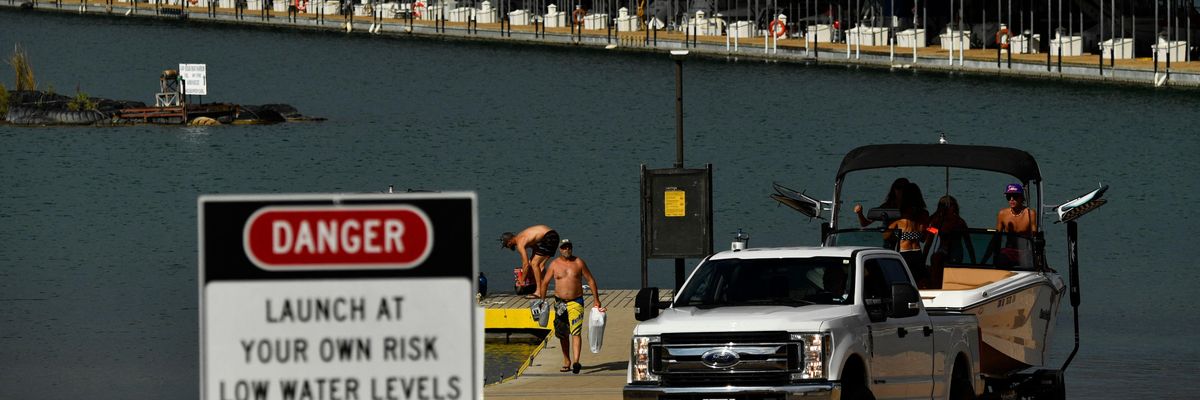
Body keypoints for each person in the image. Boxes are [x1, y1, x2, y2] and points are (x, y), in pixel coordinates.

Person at [541, 239, 605, 375]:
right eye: (564, 247)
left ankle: (576, 361)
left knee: (576, 331)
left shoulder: (579, 263)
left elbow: (591, 280)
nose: (567, 250)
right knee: (562, 333)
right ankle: (566, 361)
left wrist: (596, 300)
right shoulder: (554, 264)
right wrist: (542, 301)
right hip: (559, 303)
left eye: (569, 247)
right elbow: (545, 282)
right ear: (560, 249)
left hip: (576, 301)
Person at [883, 182, 930, 287]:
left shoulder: (902, 219)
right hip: (913, 252)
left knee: (910, 280)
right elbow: (925, 237)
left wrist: (887, 226)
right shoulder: (921, 216)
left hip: (909, 253)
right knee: (918, 281)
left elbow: (885, 236)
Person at [924, 195, 974, 289]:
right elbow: (929, 241)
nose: (947, 208)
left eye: (949, 205)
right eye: (943, 205)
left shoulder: (959, 223)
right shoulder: (937, 222)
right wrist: (922, 261)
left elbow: (968, 244)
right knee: (935, 258)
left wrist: (974, 263)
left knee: (937, 258)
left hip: (955, 252)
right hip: (942, 251)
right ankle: (935, 286)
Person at [500, 225, 559, 299]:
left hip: (549, 237)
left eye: (506, 245)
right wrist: (531, 259)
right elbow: (536, 248)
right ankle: (543, 289)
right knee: (540, 265)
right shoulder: (522, 236)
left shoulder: (520, 243)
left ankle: (538, 292)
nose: (508, 247)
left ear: (509, 242)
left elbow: (525, 265)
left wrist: (522, 281)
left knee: (534, 264)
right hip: (553, 235)